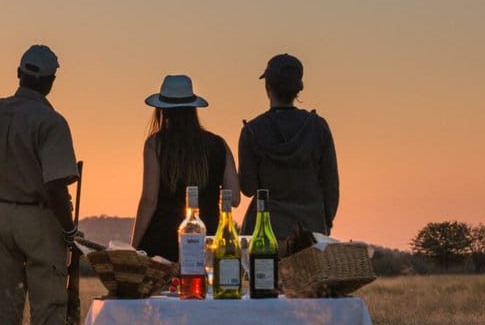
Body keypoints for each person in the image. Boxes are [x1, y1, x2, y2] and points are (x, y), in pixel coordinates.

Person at [0, 44, 80, 325]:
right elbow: (56, 185)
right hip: (38, 219)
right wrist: (68, 230)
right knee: (48, 317)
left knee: (4, 316)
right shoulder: (52, 123)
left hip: (1, 216)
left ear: (19, 73)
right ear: (51, 82)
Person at [130, 74, 240, 259]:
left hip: (162, 244)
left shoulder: (155, 144)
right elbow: (235, 198)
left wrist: (134, 248)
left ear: (161, 110)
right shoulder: (218, 145)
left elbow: (149, 201)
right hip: (208, 240)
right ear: (193, 108)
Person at [238, 53, 339, 241]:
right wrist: (324, 225)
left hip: (263, 234)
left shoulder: (251, 131)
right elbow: (331, 186)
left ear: (267, 87)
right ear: (298, 89)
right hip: (311, 233)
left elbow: (248, 188)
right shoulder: (318, 127)